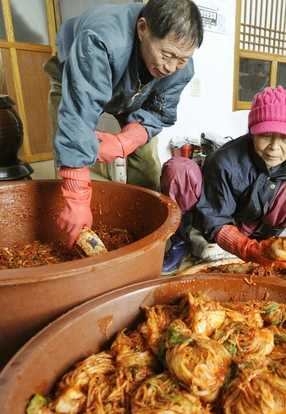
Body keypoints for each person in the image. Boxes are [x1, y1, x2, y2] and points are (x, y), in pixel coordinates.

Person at [44, 0, 204, 248]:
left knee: (148, 161)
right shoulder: (101, 39)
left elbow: (158, 113)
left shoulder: (179, 68)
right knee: (67, 151)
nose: (171, 67)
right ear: (143, 29)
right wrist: (77, 195)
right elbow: (78, 115)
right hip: (77, 72)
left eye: (181, 59)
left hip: (137, 92)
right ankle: (65, 229)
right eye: (167, 54)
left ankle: (147, 232)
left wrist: (124, 141)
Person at [160, 85, 286, 291]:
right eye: (266, 135)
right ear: (252, 133)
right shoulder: (225, 161)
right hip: (211, 219)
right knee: (179, 169)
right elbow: (215, 218)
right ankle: (181, 243)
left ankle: (266, 245)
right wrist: (246, 248)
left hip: (258, 228)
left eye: (285, 138)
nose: (274, 147)